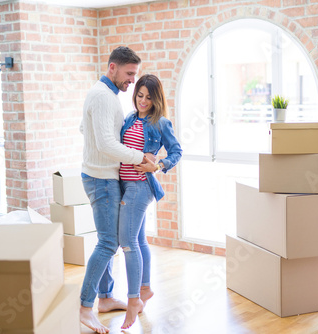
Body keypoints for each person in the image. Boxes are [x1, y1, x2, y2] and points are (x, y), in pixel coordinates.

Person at [79, 46, 154, 334]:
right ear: (113, 68)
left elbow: (84, 129)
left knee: (107, 242)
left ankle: (106, 297)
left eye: (134, 74)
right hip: (102, 179)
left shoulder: (105, 95)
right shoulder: (102, 96)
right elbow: (105, 145)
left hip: (102, 175)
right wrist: (140, 158)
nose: (133, 81)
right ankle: (86, 308)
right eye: (129, 74)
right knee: (109, 244)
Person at [118, 74, 182, 329]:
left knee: (127, 242)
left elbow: (177, 151)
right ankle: (145, 288)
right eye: (139, 95)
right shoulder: (129, 119)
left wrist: (159, 165)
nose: (142, 101)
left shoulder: (160, 123)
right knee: (140, 239)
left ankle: (133, 299)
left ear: (156, 99)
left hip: (140, 187)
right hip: (124, 185)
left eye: (148, 97)